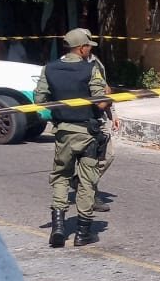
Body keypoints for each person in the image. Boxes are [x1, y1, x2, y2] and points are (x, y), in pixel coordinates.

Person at [34, 28, 110, 247]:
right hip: (87, 133)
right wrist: (110, 97)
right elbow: (101, 101)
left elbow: (40, 99)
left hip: (63, 133)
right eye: (88, 46)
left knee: (61, 177)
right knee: (87, 182)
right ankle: (82, 233)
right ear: (81, 47)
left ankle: (57, 228)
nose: (89, 50)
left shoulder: (49, 69)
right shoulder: (90, 68)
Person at [71, 48, 120, 212]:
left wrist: (113, 115)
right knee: (89, 159)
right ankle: (90, 195)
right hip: (80, 121)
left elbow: (106, 90)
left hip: (99, 120)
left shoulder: (95, 62)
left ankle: (81, 181)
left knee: (108, 155)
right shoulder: (70, 66)